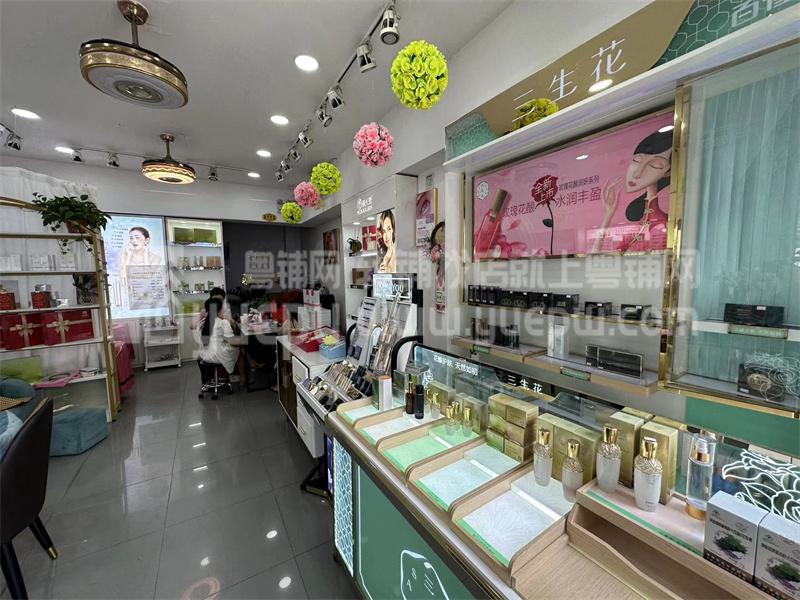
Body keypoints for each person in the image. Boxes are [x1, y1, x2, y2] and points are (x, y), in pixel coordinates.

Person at [591, 129, 671, 254]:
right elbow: (595, 255)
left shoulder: (666, 224)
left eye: (655, 165)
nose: (637, 173)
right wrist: (608, 215)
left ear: (668, 172)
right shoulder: (634, 231)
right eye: (637, 160)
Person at [198, 297, 240, 386]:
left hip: (204, 354)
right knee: (240, 349)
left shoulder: (203, 322)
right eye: (223, 307)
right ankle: (235, 375)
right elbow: (232, 341)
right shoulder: (223, 322)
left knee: (228, 345)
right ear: (219, 310)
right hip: (216, 356)